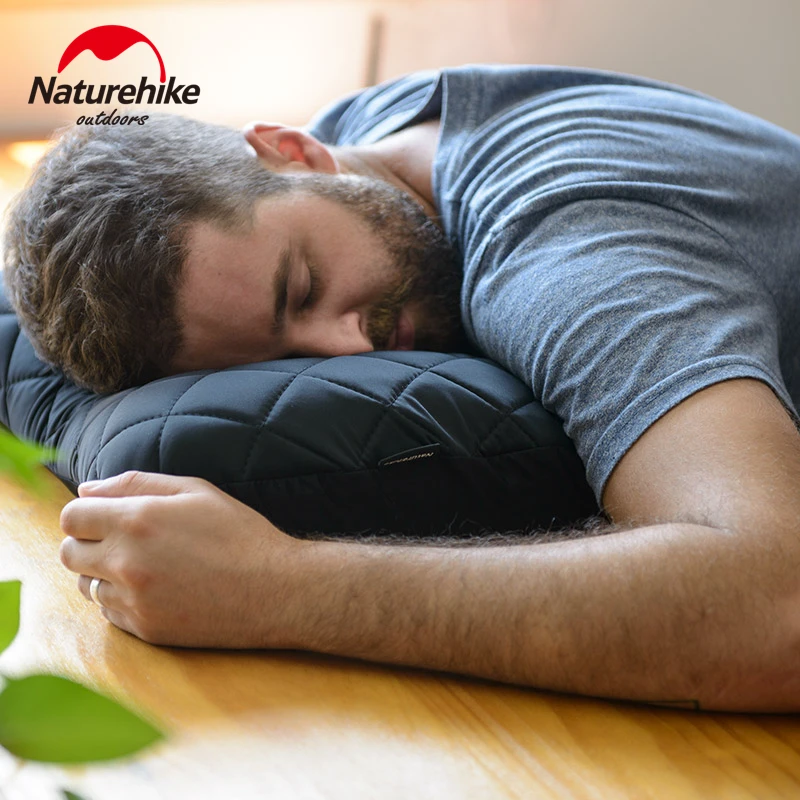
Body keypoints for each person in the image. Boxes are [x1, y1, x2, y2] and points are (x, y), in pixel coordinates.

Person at [4, 65, 800, 712]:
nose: (348, 348)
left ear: (293, 150)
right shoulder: (386, 126)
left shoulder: (572, 262)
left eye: (303, 288)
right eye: (284, 362)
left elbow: (777, 609)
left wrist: (277, 588)